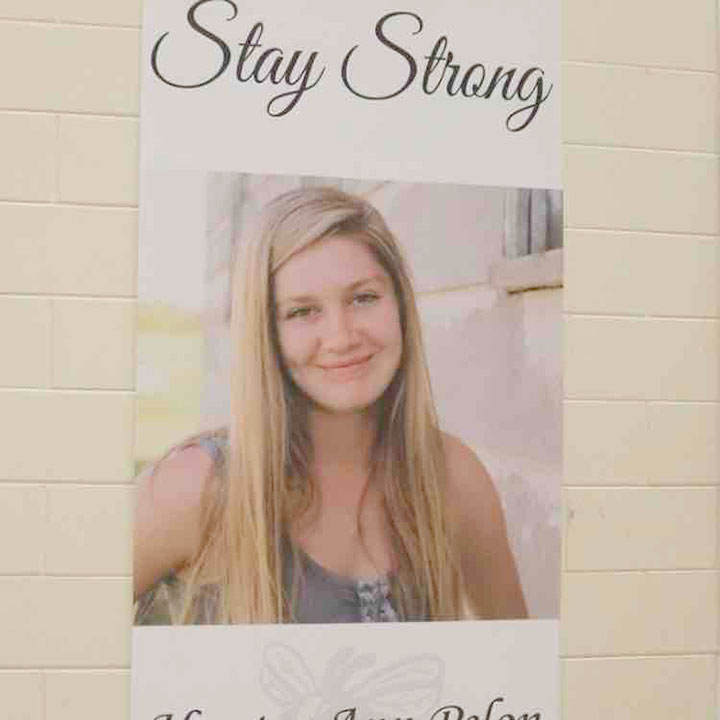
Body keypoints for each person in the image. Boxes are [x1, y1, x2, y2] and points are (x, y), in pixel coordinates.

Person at [134, 185, 527, 624]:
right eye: (302, 312)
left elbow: (518, 653)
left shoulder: (452, 476)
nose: (341, 338)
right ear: (266, 333)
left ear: (400, 306)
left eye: (364, 298)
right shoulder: (195, 487)